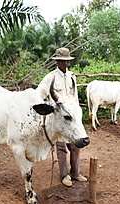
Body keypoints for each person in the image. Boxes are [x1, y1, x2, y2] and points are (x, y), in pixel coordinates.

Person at [36, 47, 88, 187]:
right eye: (62, 61)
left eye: (67, 61)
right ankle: (64, 175)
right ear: (57, 61)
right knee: (61, 148)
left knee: (76, 145)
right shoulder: (50, 78)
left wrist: (76, 114)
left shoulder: (72, 77)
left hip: (71, 118)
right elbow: (38, 95)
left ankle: (75, 173)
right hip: (58, 119)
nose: (65, 64)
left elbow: (74, 97)